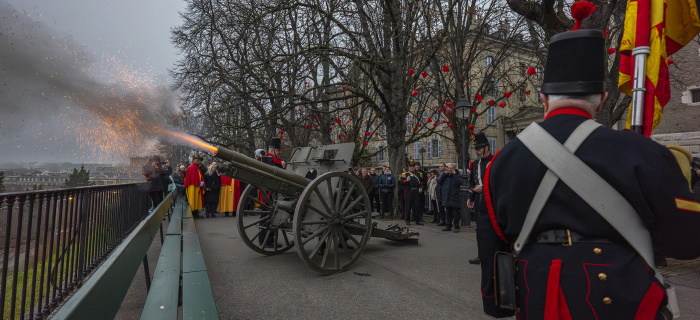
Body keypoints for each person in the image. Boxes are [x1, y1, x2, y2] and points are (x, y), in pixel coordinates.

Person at [479, 29, 700, 319]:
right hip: (621, 293)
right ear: (602, 99)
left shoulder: (502, 161)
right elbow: (686, 241)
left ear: (544, 98)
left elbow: (492, 238)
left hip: (537, 295)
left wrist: (495, 300)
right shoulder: (641, 151)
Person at [467, 132, 493, 265]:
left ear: (486, 148)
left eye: (479, 149)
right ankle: (481, 255)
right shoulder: (476, 164)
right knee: (479, 229)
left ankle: (493, 254)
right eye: (476, 149)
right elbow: (473, 182)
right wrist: (470, 197)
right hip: (479, 201)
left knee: (491, 229)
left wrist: (484, 189)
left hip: (491, 201)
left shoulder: (494, 161)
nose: (477, 151)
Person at [437, 164, 462, 232]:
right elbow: (439, 181)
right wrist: (444, 174)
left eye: (451, 168)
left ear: (454, 169)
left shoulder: (457, 175)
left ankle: (456, 226)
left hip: (455, 197)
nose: (449, 170)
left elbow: (459, 182)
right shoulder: (446, 176)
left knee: (455, 213)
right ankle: (448, 226)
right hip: (447, 197)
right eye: (448, 168)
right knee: (448, 212)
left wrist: (454, 175)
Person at [184, 154, 206, 219]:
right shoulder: (192, 167)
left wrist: (201, 182)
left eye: (200, 160)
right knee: (193, 200)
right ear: (194, 160)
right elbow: (191, 178)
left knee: (197, 200)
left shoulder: (197, 167)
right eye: (198, 160)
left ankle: (196, 214)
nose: (199, 161)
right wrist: (198, 182)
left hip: (197, 186)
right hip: (192, 186)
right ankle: (193, 214)